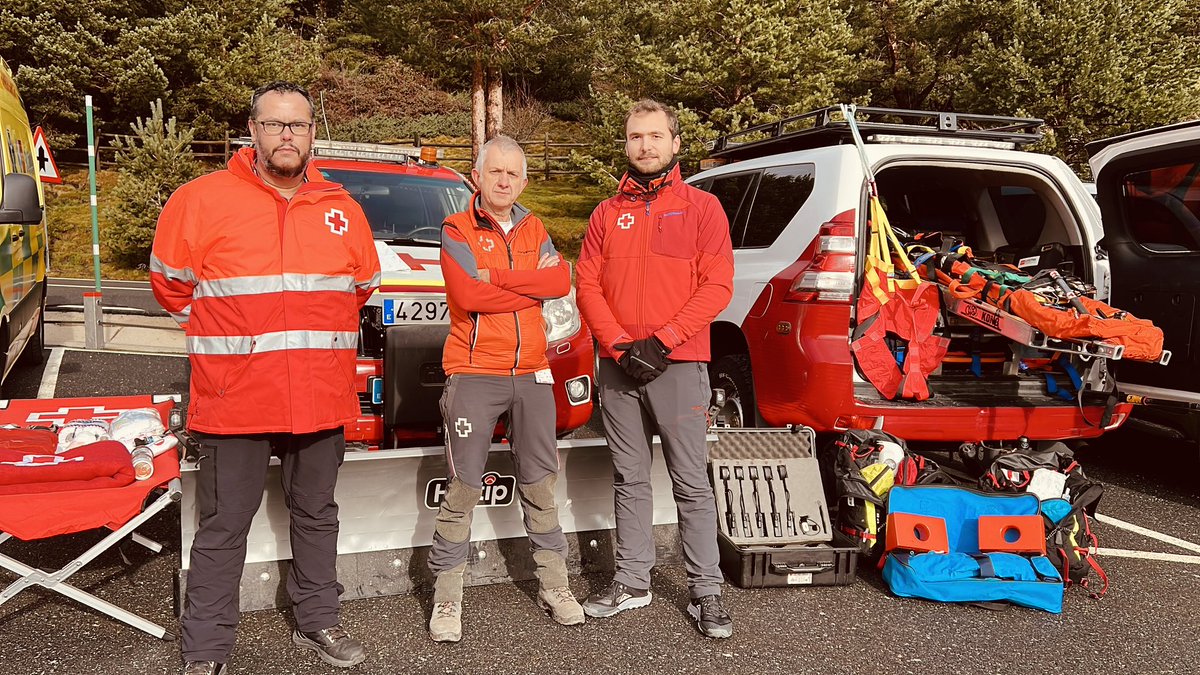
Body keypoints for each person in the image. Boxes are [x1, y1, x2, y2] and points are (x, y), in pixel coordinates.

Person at [150, 81, 380, 675]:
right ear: (251, 130)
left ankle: (318, 622)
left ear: (311, 134)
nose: (287, 135)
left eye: (298, 125)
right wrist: (235, 345)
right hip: (236, 399)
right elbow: (172, 287)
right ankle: (206, 651)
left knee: (317, 513)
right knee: (225, 524)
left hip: (319, 398)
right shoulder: (199, 200)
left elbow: (361, 289)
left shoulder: (343, 209)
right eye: (275, 124)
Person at [575, 99, 735, 638]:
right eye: (635, 137)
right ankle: (633, 581)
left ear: (675, 143)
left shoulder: (703, 209)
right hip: (619, 366)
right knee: (630, 477)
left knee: (691, 482)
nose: (644, 145)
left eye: (654, 136)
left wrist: (663, 342)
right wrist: (620, 346)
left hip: (680, 363)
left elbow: (717, 286)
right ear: (626, 145)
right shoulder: (604, 214)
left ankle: (706, 592)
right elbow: (588, 285)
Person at [426, 135, 584, 642]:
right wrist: (523, 286)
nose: (503, 181)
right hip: (475, 371)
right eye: (494, 172)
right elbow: (468, 292)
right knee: (464, 487)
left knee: (540, 482)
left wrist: (498, 277)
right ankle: (447, 598)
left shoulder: (535, 226)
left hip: (533, 372)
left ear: (523, 180)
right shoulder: (456, 228)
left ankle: (554, 585)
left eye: (512, 174)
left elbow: (560, 282)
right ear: (477, 175)